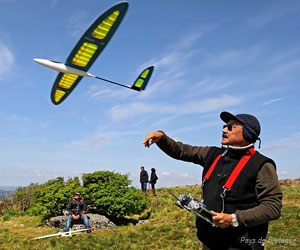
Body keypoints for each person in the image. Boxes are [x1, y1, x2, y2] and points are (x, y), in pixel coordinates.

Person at [143, 111, 282, 250]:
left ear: (247, 133)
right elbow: (182, 151)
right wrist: (161, 138)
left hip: (240, 246)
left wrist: (234, 219)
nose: (223, 129)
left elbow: (272, 207)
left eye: (230, 127)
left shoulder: (262, 165)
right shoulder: (213, 155)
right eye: (224, 126)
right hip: (209, 243)